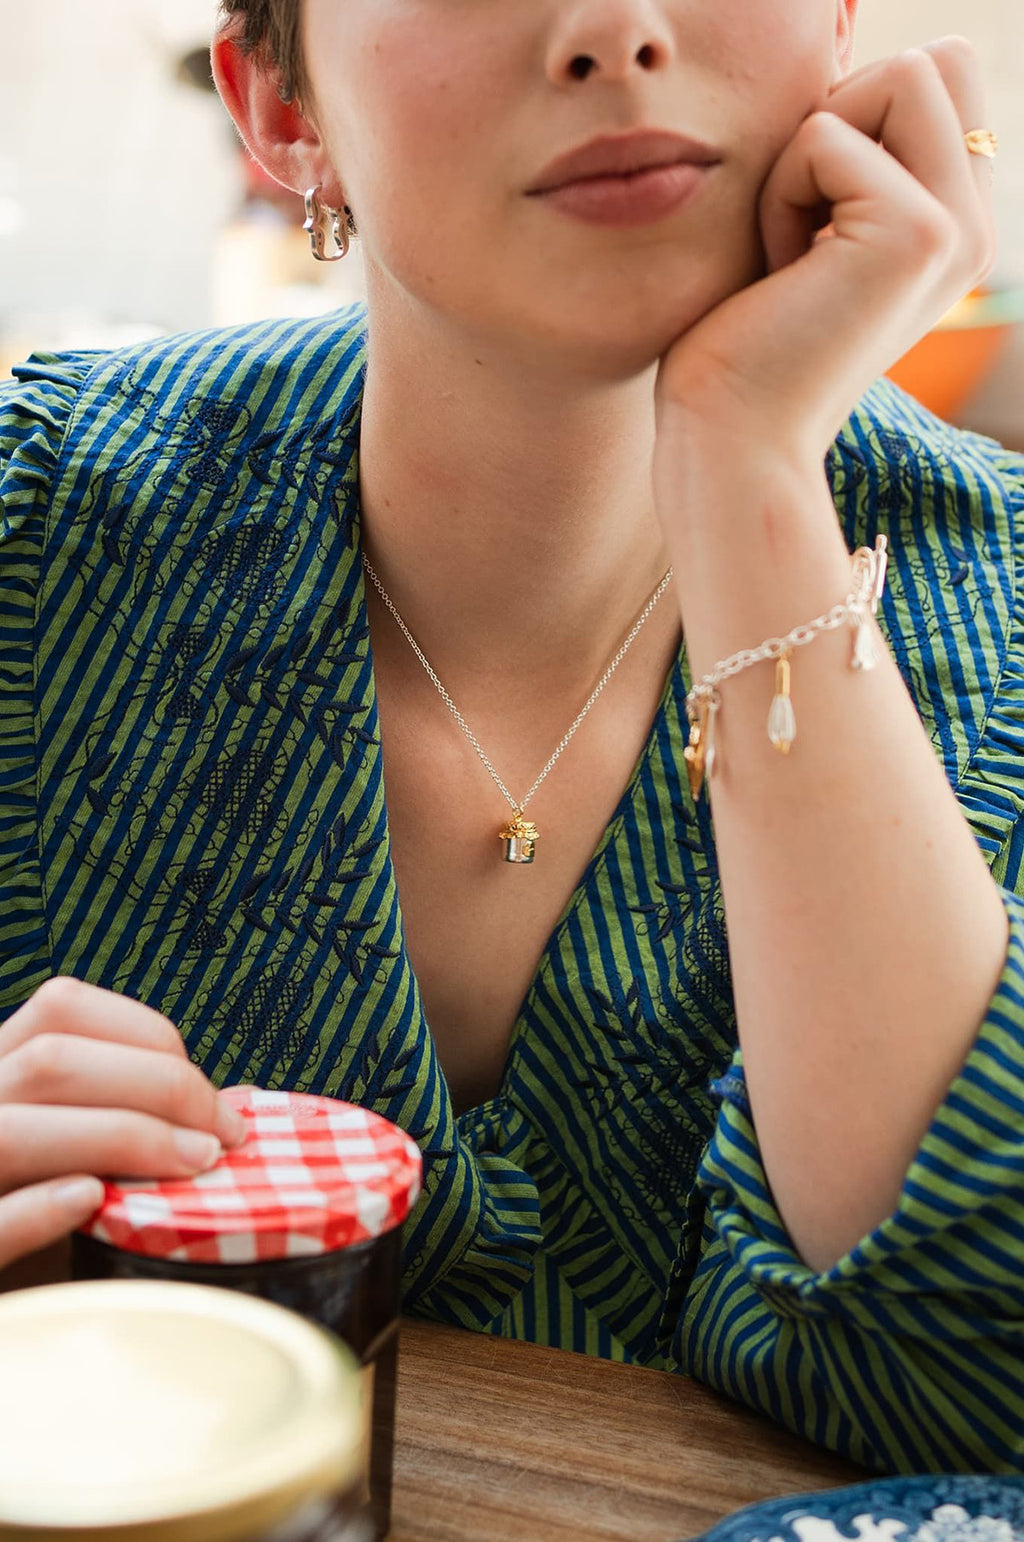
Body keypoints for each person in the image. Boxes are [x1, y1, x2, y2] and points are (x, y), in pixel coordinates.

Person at [1, 0, 1022, 1474]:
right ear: (283, 107)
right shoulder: (40, 530)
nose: (615, 31)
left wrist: (748, 458)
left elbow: (978, 1379)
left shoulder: (999, 617)